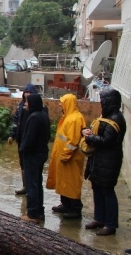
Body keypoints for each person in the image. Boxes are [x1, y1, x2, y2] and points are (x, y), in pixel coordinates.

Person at [81, 88, 127, 236]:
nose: (101, 105)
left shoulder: (116, 119)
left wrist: (89, 138)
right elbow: (98, 132)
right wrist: (86, 131)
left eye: (103, 102)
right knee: (97, 188)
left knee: (107, 191)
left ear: (110, 103)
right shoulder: (106, 117)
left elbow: (107, 140)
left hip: (109, 161)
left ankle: (110, 224)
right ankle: (99, 219)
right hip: (99, 160)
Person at [46, 93, 86, 219]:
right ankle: (66, 204)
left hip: (71, 159)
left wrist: (65, 155)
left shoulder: (75, 119)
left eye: (62, 102)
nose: (59, 104)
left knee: (72, 183)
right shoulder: (67, 117)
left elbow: (72, 141)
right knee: (63, 182)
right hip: (63, 157)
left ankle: (75, 208)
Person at [19, 93, 51, 224]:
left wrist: (23, 149)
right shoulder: (43, 115)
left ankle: (32, 214)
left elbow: (29, 138)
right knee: (37, 183)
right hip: (41, 153)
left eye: (27, 102)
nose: (25, 104)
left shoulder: (33, 117)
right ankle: (39, 211)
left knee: (31, 184)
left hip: (32, 155)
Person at [7, 83, 37, 195]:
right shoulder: (20, 106)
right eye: (26, 92)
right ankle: (25, 186)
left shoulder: (37, 108)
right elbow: (16, 122)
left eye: (30, 92)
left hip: (31, 141)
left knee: (30, 163)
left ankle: (32, 187)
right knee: (23, 163)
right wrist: (12, 135)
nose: (27, 95)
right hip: (21, 139)